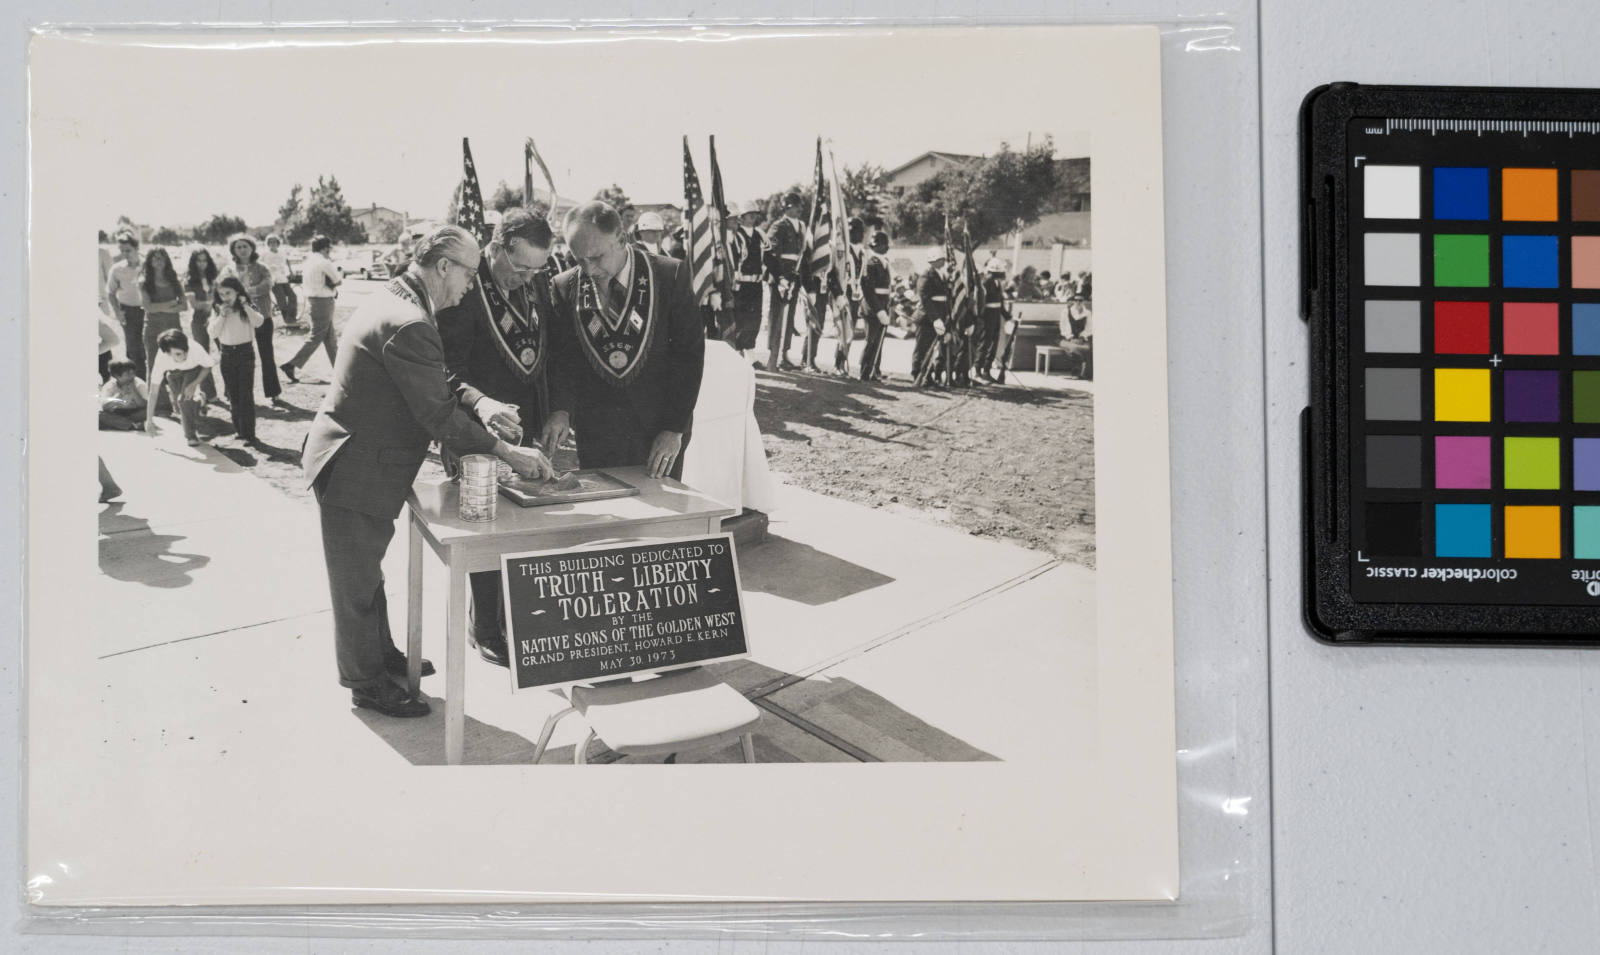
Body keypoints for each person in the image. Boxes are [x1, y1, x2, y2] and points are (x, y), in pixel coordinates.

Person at [301, 224, 553, 719]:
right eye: (468, 274)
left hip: (361, 461)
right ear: (443, 266)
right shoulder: (412, 319)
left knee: (367, 574)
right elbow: (436, 414)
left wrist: (480, 404)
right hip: (357, 467)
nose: (469, 285)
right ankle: (365, 682)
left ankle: (382, 656)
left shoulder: (398, 299)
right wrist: (511, 453)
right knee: (355, 584)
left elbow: (431, 383)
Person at [436, 208, 557, 667]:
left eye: (536, 269)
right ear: (498, 244)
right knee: (485, 529)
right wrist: (481, 406)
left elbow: (550, 349)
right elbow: (445, 369)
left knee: (525, 531)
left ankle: (515, 617)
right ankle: (485, 625)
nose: (527, 278)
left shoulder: (537, 279)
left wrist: (555, 411)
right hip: (476, 424)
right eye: (520, 267)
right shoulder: (465, 286)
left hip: (529, 423)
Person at [543, 201, 705, 485]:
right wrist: (561, 409)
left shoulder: (670, 276)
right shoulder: (564, 285)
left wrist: (673, 428)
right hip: (598, 430)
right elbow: (563, 359)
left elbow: (688, 359)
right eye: (578, 259)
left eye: (596, 257)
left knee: (660, 515)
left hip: (659, 428)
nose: (589, 270)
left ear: (621, 238)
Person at [222, 234, 282, 405]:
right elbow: (224, 288)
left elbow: (268, 284)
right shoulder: (229, 269)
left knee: (266, 354)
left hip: (262, 315)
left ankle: (273, 391)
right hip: (238, 319)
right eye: (238, 247)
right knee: (237, 356)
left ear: (252, 248)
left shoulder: (262, 267)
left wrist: (244, 292)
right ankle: (232, 392)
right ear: (233, 250)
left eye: (245, 246)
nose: (242, 250)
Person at [207, 277, 265, 443]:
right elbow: (212, 333)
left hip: (245, 352)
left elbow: (259, 322)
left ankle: (249, 433)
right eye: (222, 293)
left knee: (245, 394)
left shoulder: (245, 307)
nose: (225, 297)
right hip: (226, 354)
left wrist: (245, 305)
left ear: (237, 292)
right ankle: (239, 430)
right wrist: (222, 316)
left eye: (229, 293)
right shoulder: (218, 309)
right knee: (233, 394)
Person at [280, 234, 342, 382]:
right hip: (323, 301)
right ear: (325, 248)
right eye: (328, 248)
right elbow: (338, 280)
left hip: (314, 300)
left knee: (330, 340)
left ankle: (340, 370)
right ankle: (291, 363)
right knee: (317, 336)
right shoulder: (324, 262)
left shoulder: (309, 261)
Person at [138, 247, 189, 414]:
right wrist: (170, 305)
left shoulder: (174, 280)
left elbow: (184, 305)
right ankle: (160, 406)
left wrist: (160, 307)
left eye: (161, 258)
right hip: (152, 328)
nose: (158, 262)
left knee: (178, 365)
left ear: (166, 260)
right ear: (149, 262)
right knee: (154, 366)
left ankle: (181, 403)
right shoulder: (144, 281)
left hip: (173, 329)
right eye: (154, 259)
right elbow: (148, 307)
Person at [144, 329, 214, 446]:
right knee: (179, 407)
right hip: (173, 374)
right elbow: (153, 392)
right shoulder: (161, 359)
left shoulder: (195, 348)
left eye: (185, 351)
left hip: (193, 370)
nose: (185, 355)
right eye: (178, 354)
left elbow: (208, 366)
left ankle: (191, 436)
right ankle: (200, 399)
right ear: (167, 353)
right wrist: (149, 420)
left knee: (184, 401)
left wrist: (194, 384)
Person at [761, 192, 805, 370]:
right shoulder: (778, 226)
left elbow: (802, 255)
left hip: (794, 276)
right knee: (777, 315)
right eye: (795, 206)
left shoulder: (801, 227)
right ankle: (773, 354)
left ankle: (784, 354)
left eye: (799, 205)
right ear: (787, 208)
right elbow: (769, 253)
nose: (799, 209)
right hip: (780, 277)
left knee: (790, 316)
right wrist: (780, 277)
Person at [105, 231, 147, 375]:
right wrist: (117, 312)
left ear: (137, 248)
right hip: (128, 311)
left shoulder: (147, 265)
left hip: (148, 310)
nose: (125, 254)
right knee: (133, 347)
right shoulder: (117, 269)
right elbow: (110, 292)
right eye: (122, 251)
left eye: (128, 250)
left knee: (148, 344)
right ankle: (138, 379)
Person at [184, 248, 220, 403]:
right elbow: (194, 304)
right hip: (199, 321)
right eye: (198, 261)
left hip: (219, 319)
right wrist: (211, 302)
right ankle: (209, 393)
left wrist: (210, 303)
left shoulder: (215, 277)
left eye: (204, 260)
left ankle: (231, 392)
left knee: (226, 353)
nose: (202, 264)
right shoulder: (189, 281)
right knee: (203, 356)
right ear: (193, 262)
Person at [730, 204, 766, 355]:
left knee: (755, 318)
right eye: (749, 214)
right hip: (740, 285)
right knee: (740, 318)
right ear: (741, 217)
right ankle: (738, 352)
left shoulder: (760, 235)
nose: (753, 217)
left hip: (756, 284)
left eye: (755, 214)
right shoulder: (735, 236)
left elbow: (769, 258)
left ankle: (750, 354)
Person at [858, 230, 893, 382]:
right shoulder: (871, 263)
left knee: (878, 341)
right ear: (876, 246)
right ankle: (865, 371)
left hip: (883, 305)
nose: (886, 247)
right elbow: (868, 290)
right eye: (883, 245)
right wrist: (879, 310)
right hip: (872, 308)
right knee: (870, 340)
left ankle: (874, 370)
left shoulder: (884, 262)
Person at [913, 254, 952, 387]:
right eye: (940, 260)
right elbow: (925, 299)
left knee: (933, 350)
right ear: (933, 261)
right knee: (922, 348)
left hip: (939, 317)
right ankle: (917, 374)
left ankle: (928, 376)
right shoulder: (926, 275)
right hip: (926, 318)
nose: (944, 262)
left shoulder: (942, 275)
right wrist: (936, 319)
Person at [973, 257, 1011, 383]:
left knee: (993, 345)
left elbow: (999, 303)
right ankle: (977, 371)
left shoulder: (997, 282)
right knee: (984, 344)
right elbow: (980, 303)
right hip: (987, 317)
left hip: (995, 317)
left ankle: (986, 371)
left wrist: (1008, 317)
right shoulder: (986, 282)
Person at [262, 234, 300, 327]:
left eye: (274, 242)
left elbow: (287, 261)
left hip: (283, 278)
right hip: (273, 279)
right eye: (270, 242)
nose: (273, 244)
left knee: (293, 296)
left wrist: (291, 271)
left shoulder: (282, 252)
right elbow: (262, 266)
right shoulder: (265, 254)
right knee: (281, 299)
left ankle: (292, 317)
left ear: (278, 243)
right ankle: (287, 320)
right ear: (268, 243)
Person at [98, 358, 146, 431]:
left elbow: (144, 405)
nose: (132, 376)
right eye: (127, 374)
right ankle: (132, 425)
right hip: (117, 413)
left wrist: (134, 391)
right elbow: (105, 407)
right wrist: (118, 396)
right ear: (116, 376)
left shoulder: (139, 383)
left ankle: (122, 423)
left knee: (148, 412)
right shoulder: (109, 386)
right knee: (99, 415)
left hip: (135, 412)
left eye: (133, 373)